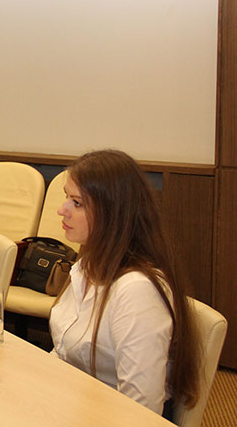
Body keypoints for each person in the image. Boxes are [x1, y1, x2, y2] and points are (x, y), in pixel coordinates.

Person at [48, 149, 198, 417]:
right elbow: (63, 353)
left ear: (112, 213)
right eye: (66, 197)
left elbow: (141, 409)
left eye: (77, 203)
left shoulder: (138, 290)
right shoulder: (86, 266)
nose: (62, 210)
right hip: (75, 402)